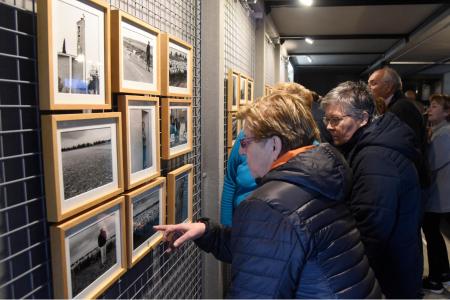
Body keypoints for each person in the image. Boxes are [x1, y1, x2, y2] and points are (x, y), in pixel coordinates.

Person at [156, 92, 381, 298]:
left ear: (274, 145)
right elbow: (271, 250)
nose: (242, 151)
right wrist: (207, 231)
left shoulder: (270, 205)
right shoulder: (316, 178)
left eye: (246, 142)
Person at [321, 81, 423, 298]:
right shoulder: (372, 146)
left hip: (389, 274)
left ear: (363, 118)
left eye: (336, 119)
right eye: (327, 119)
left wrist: (350, 273)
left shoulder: (375, 158)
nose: (329, 126)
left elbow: (372, 228)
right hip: (395, 265)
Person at [368, 66, 429, 187]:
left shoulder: (401, 108)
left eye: (373, 84)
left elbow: (406, 146)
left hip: (407, 179)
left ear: (388, 87)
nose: (368, 88)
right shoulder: (395, 106)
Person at [422, 94, 450, 294]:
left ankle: (436, 279)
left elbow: (431, 165)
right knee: (434, 235)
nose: (429, 110)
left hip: (439, 194)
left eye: (434, 106)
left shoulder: (444, 134)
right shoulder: (439, 131)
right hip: (439, 194)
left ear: (447, 112)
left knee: (432, 235)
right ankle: (442, 275)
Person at [221, 130, 256, 226]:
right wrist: (226, 227)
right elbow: (229, 182)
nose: (241, 151)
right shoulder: (244, 135)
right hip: (240, 221)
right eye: (243, 144)